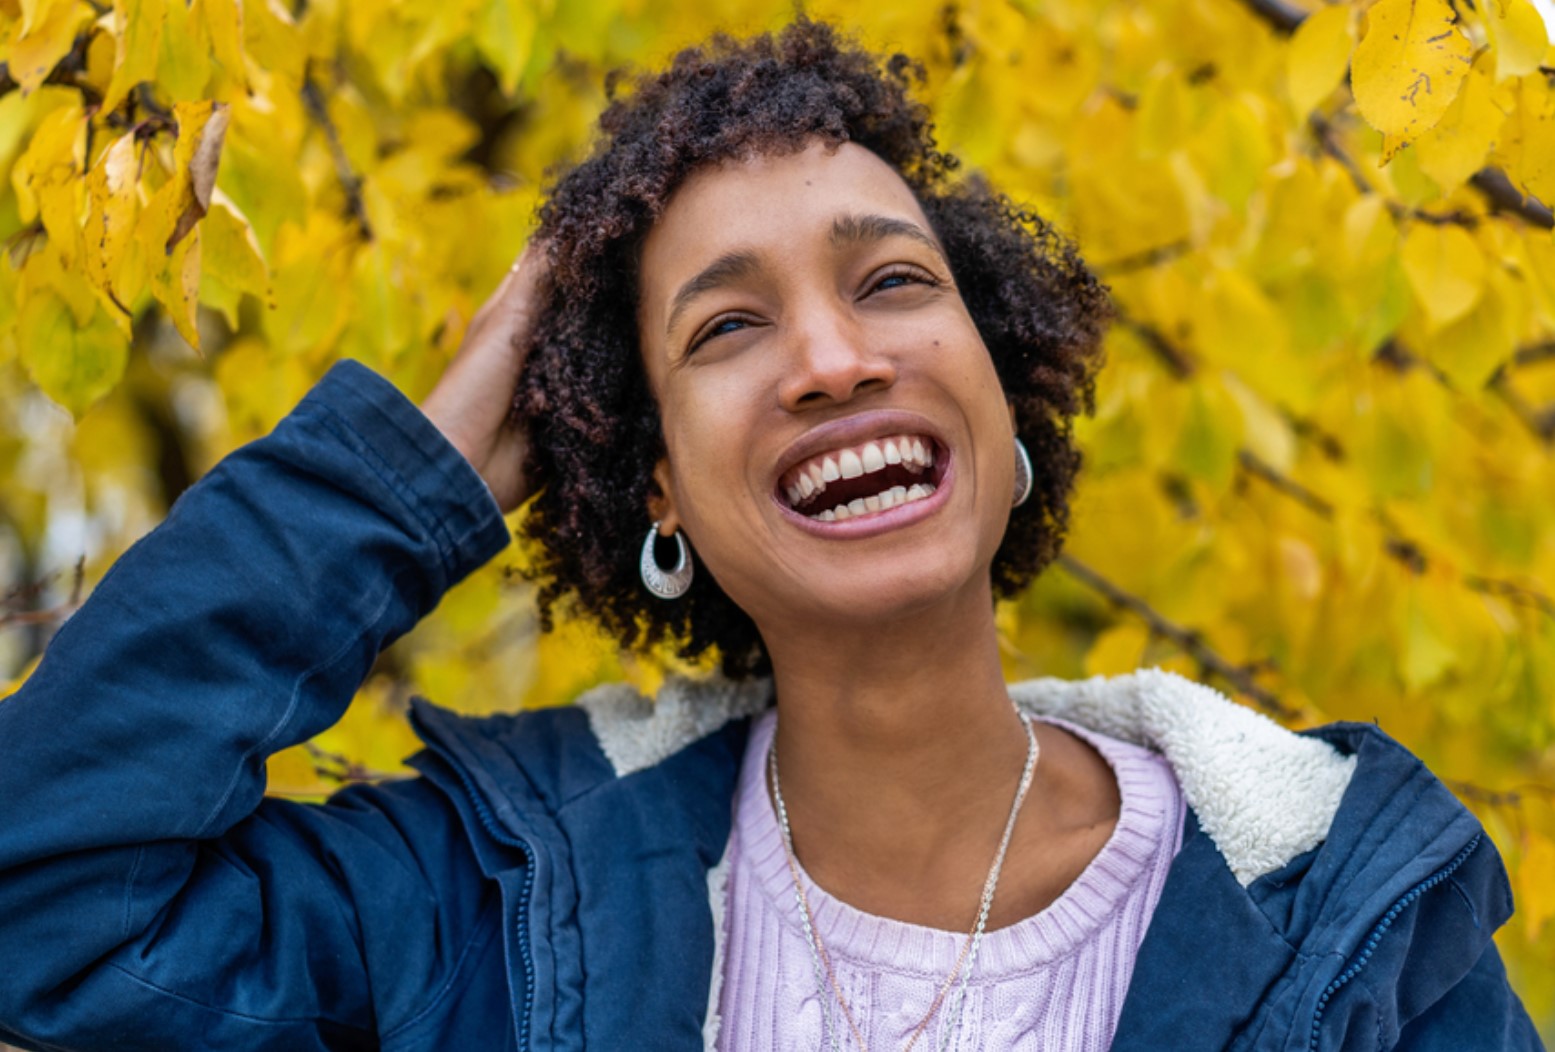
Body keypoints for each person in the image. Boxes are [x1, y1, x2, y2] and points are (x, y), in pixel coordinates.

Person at [0, 19, 1542, 1052]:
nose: (830, 358)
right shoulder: (489, 901)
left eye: (892, 284)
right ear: (649, 484)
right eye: (728, 325)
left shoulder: (1350, 922)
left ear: (1004, 407)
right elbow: (47, 899)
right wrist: (417, 480)